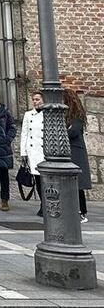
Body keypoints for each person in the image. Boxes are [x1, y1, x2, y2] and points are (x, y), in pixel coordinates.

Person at [63, 89, 92, 223]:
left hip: (76, 152)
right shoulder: (65, 116)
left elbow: (73, 132)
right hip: (68, 152)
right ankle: (73, 209)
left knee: (77, 183)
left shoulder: (78, 115)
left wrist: (63, 132)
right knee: (70, 183)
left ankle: (81, 211)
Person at [20, 90, 45, 215]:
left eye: (38, 99)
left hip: (44, 152)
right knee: (38, 179)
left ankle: (47, 203)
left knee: (46, 179)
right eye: (34, 100)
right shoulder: (28, 115)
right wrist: (23, 152)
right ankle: (43, 203)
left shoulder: (48, 114)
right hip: (33, 151)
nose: (35, 102)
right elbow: (24, 133)